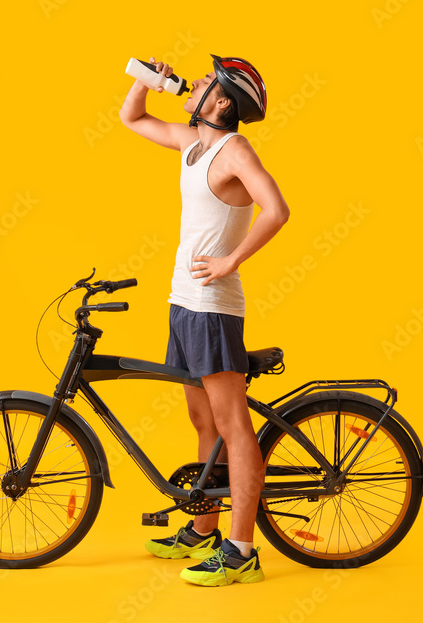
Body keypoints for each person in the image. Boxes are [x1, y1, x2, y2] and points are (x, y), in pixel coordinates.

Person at [119, 54, 289, 586]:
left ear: (222, 101)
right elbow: (133, 119)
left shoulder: (234, 148)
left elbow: (277, 209)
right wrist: (143, 80)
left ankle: (242, 550)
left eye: (204, 81)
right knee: (204, 423)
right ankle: (203, 529)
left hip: (213, 307)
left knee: (234, 427)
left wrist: (230, 261)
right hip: (183, 303)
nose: (193, 82)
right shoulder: (195, 143)